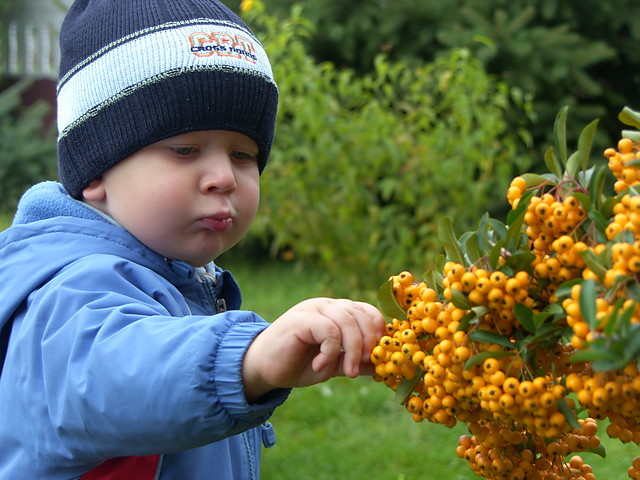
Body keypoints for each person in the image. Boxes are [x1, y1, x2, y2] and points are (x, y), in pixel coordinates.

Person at [0, 0, 386, 478]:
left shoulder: (174, 274)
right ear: (95, 170)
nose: (224, 177)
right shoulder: (67, 290)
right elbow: (117, 370)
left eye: (244, 154)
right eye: (185, 149)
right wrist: (248, 359)